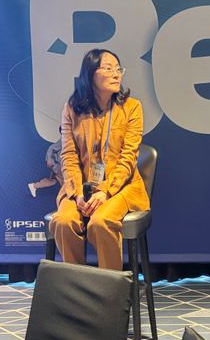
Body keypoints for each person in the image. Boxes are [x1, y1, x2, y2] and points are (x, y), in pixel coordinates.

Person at [49, 49, 149, 270]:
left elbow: (128, 157)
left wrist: (106, 191)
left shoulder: (132, 107)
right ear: (90, 74)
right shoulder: (72, 109)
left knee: (101, 222)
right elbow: (68, 155)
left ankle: (109, 288)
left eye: (118, 69)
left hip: (121, 188)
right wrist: (77, 194)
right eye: (108, 68)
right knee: (64, 221)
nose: (116, 74)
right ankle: (76, 287)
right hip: (81, 188)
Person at [28, 127, 63, 197]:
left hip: (59, 165)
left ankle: (35, 185)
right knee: (62, 182)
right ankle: (35, 186)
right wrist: (50, 159)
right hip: (56, 165)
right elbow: (52, 148)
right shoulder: (64, 141)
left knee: (54, 180)